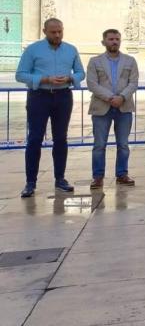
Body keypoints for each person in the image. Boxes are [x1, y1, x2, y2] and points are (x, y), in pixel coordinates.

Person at [16, 18, 84, 197]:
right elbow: (20, 74)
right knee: (35, 138)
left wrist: (70, 78)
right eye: (53, 32)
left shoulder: (71, 50)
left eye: (60, 31)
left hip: (62, 96)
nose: (57, 35)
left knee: (61, 138)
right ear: (44, 30)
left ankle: (60, 179)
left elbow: (80, 72)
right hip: (39, 97)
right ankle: (30, 182)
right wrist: (44, 80)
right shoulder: (33, 50)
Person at [87, 29, 139, 189]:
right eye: (111, 39)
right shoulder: (94, 61)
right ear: (104, 42)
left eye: (117, 39)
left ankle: (122, 174)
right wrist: (110, 97)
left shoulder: (130, 61)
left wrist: (122, 97)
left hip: (124, 107)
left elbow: (133, 83)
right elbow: (92, 84)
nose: (114, 42)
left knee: (123, 144)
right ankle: (98, 176)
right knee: (99, 144)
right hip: (102, 107)